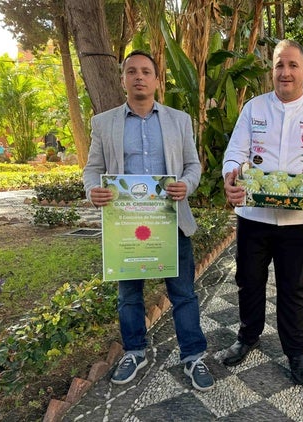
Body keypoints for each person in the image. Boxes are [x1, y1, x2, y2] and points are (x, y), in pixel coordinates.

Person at [83, 50, 214, 391]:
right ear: (123, 79)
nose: (139, 76)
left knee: (183, 292)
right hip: (125, 225)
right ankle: (135, 351)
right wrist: (92, 190)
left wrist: (188, 184)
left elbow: (192, 165)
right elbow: (93, 169)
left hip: (171, 220)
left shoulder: (179, 120)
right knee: (129, 296)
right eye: (131, 71)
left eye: (146, 71)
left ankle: (193, 355)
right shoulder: (104, 123)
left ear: (157, 80)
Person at [221, 39, 303, 385]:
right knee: (248, 280)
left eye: (292, 65)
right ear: (272, 70)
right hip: (252, 217)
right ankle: (248, 336)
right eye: (279, 65)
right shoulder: (254, 109)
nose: (285, 72)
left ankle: (295, 350)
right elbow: (235, 153)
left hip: (298, 221)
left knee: (292, 285)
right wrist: (231, 176)